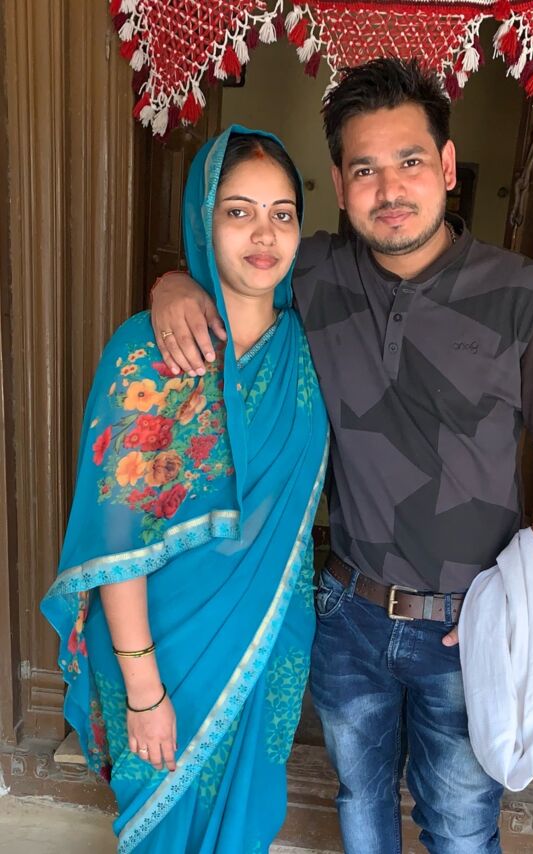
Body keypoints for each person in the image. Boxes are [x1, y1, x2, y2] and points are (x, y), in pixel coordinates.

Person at [149, 59, 533, 854]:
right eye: (365, 169)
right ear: (339, 183)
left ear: (446, 166)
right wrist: (172, 285)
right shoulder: (316, 271)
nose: (389, 189)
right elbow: (230, 259)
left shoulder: (524, 297)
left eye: (410, 161)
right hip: (347, 614)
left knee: (460, 828)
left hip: (466, 629)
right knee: (361, 802)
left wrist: (507, 604)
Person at [41, 127, 328, 853]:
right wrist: (144, 691)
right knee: (163, 821)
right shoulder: (146, 350)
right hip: (159, 646)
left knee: (246, 820)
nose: (264, 234)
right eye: (238, 212)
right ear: (203, 220)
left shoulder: (313, 346)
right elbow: (116, 534)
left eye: (283, 213)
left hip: (269, 635)